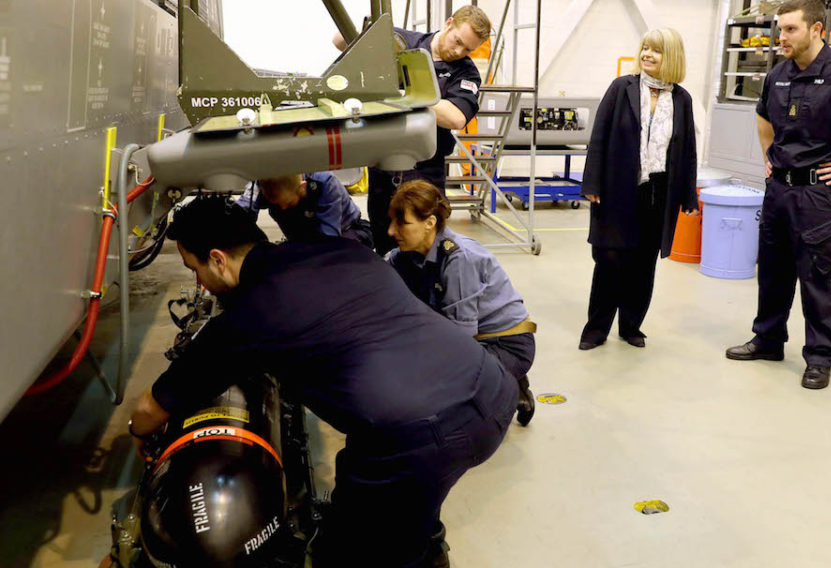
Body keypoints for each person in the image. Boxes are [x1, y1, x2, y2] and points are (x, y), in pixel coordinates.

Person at [128, 196, 518, 567]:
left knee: (347, 553)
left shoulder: (247, 318)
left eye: (195, 270)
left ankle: (413, 553)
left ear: (217, 260)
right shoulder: (338, 250)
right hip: (492, 388)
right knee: (387, 497)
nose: (200, 281)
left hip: (419, 437)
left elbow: (152, 407)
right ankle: (423, 539)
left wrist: (139, 432)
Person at [725, 0, 831, 390]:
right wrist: (768, 155)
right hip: (778, 192)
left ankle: (820, 357)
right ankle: (768, 339)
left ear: (816, 29)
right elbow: (762, 115)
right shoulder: (778, 75)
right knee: (772, 272)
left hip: (818, 195)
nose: (780, 38)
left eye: (790, 30)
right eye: (779, 29)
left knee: (818, 278)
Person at [334, 5, 491, 255]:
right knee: (385, 238)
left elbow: (456, 117)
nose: (458, 51)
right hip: (383, 165)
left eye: (468, 49)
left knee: (424, 248)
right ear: (449, 23)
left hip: (425, 170)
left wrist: (405, 95)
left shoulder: (465, 72)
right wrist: (370, 30)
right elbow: (339, 41)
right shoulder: (402, 41)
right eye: (457, 41)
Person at [578, 28, 699, 351]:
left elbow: (687, 149)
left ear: (670, 57)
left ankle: (631, 326)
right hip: (617, 186)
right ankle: (596, 328)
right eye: (645, 48)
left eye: (656, 50)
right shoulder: (622, 88)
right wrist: (591, 182)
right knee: (610, 259)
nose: (647, 54)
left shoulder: (682, 99)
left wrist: (688, 195)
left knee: (644, 263)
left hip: (659, 191)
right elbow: (599, 136)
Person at [385, 180, 536, 427]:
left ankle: (506, 389)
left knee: (436, 384)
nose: (392, 231)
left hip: (508, 344)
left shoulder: (459, 260)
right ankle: (502, 379)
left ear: (430, 223)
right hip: (480, 340)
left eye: (402, 223)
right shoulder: (409, 253)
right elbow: (380, 274)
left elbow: (461, 343)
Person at [236, 171, 373, 248]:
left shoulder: (325, 184)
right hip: (301, 239)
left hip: (347, 232)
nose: (283, 208)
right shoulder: (261, 185)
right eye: (276, 205)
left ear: (302, 188)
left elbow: (328, 242)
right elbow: (241, 216)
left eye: (288, 203)